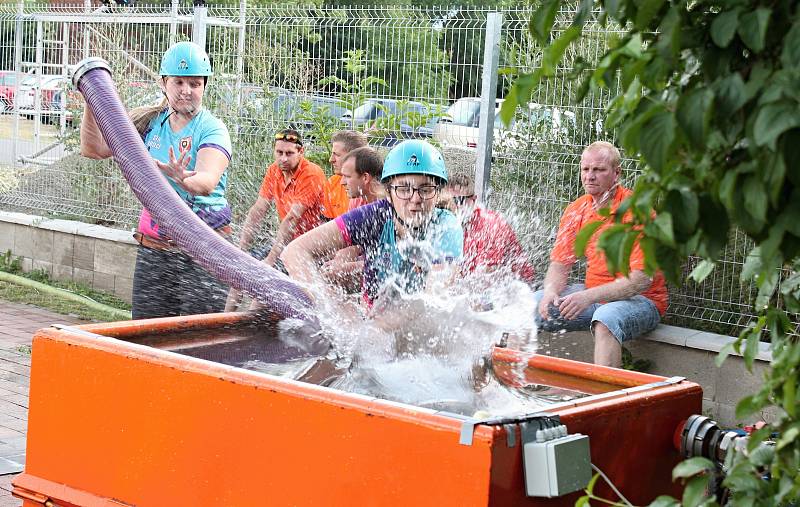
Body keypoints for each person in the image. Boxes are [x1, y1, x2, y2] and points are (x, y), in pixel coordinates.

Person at [79, 41, 232, 319]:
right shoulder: (151, 123)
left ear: (205, 86)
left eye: (195, 84)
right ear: (164, 82)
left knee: (198, 339)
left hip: (204, 252)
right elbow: (95, 149)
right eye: (179, 82)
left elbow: (208, 181)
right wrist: (92, 100)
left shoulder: (212, 128)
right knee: (147, 332)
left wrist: (183, 178)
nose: (186, 91)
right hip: (155, 248)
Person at [533, 141, 668, 367]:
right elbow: (559, 265)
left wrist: (588, 297)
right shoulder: (576, 209)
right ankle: (516, 388)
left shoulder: (637, 211)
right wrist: (549, 291)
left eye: (599, 170)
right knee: (529, 305)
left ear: (617, 174)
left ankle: (605, 400)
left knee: (606, 319)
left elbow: (640, 281)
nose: (590, 176)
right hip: (593, 296)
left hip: (643, 301)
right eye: (585, 169)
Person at [281, 140, 463, 307]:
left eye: (426, 189)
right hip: (372, 315)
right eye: (404, 189)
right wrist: (328, 308)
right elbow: (295, 251)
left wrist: (378, 328)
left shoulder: (446, 226)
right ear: (389, 192)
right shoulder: (375, 215)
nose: (415, 198)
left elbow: (433, 303)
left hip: (416, 330)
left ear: (438, 192)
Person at [225, 129, 326, 311]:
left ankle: (252, 325)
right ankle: (223, 327)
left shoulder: (311, 173)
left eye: (289, 153)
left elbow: (292, 219)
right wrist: (241, 251)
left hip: (311, 248)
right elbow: (258, 210)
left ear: (301, 152)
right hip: (286, 242)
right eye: (279, 153)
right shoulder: (274, 170)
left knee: (267, 283)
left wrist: (271, 260)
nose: (283, 159)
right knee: (239, 273)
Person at [446, 170, 535, 283]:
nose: (454, 206)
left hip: (518, 288)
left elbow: (485, 277)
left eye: (459, 200)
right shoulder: (451, 225)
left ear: (473, 200)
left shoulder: (490, 225)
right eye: (449, 202)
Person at [321, 146, 385, 289]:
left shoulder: (387, 207)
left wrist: (346, 268)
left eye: (348, 177)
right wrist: (338, 265)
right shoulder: (357, 200)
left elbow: (390, 264)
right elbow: (351, 244)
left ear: (365, 177)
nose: (342, 182)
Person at [321, 130, 368, 219]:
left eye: (337, 155)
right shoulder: (332, 183)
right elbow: (325, 224)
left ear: (354, 156)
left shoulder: (370, 188)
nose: (331, 160)